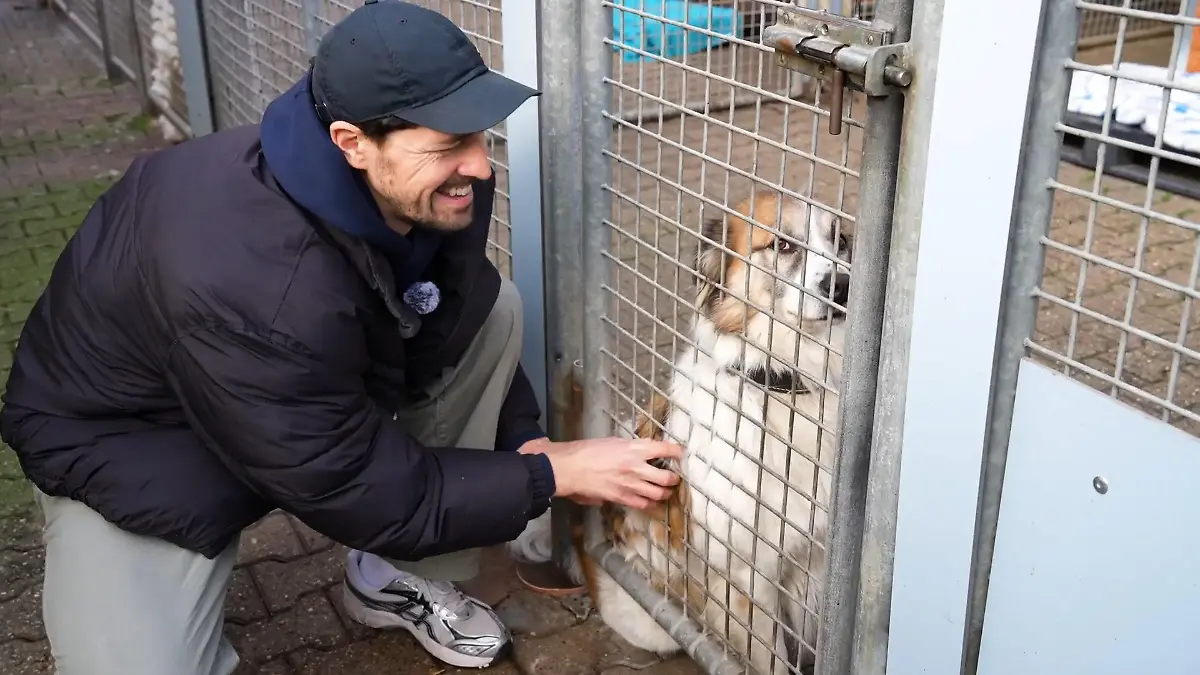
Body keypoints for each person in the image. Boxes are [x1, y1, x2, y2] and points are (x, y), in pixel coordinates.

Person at [0, 1, 684, 673]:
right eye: (450, 145)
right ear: (352, 142)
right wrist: (551, 474)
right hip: (134, 441)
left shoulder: (414, 179)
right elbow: (355, 483)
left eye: (480, 135)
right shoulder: (260, 288)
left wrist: (524, 444)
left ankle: (394, 574)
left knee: (495, 307)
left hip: (274, 394)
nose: (479, 165)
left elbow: (460, 308)